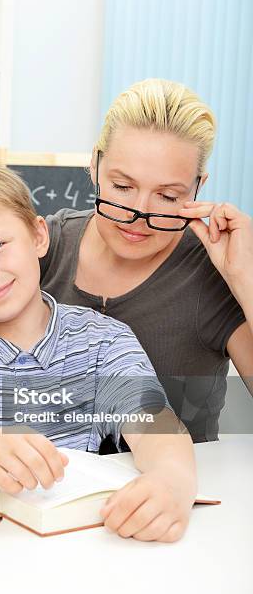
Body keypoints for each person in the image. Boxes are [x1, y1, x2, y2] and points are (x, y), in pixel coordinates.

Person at [0, 160, 196, 542]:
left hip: (77, 546)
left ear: (38, 236)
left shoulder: (103, 341)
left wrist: (172, 481)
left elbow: (156, 426)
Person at [40, 78, 253, 449]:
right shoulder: (46, 247)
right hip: (46, 494)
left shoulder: (213, 271)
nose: (139, 214)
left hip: (180, 496)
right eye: (122, 187)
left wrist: (245, 279)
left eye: (168, 196)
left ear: (198, 187)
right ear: (94, 164)